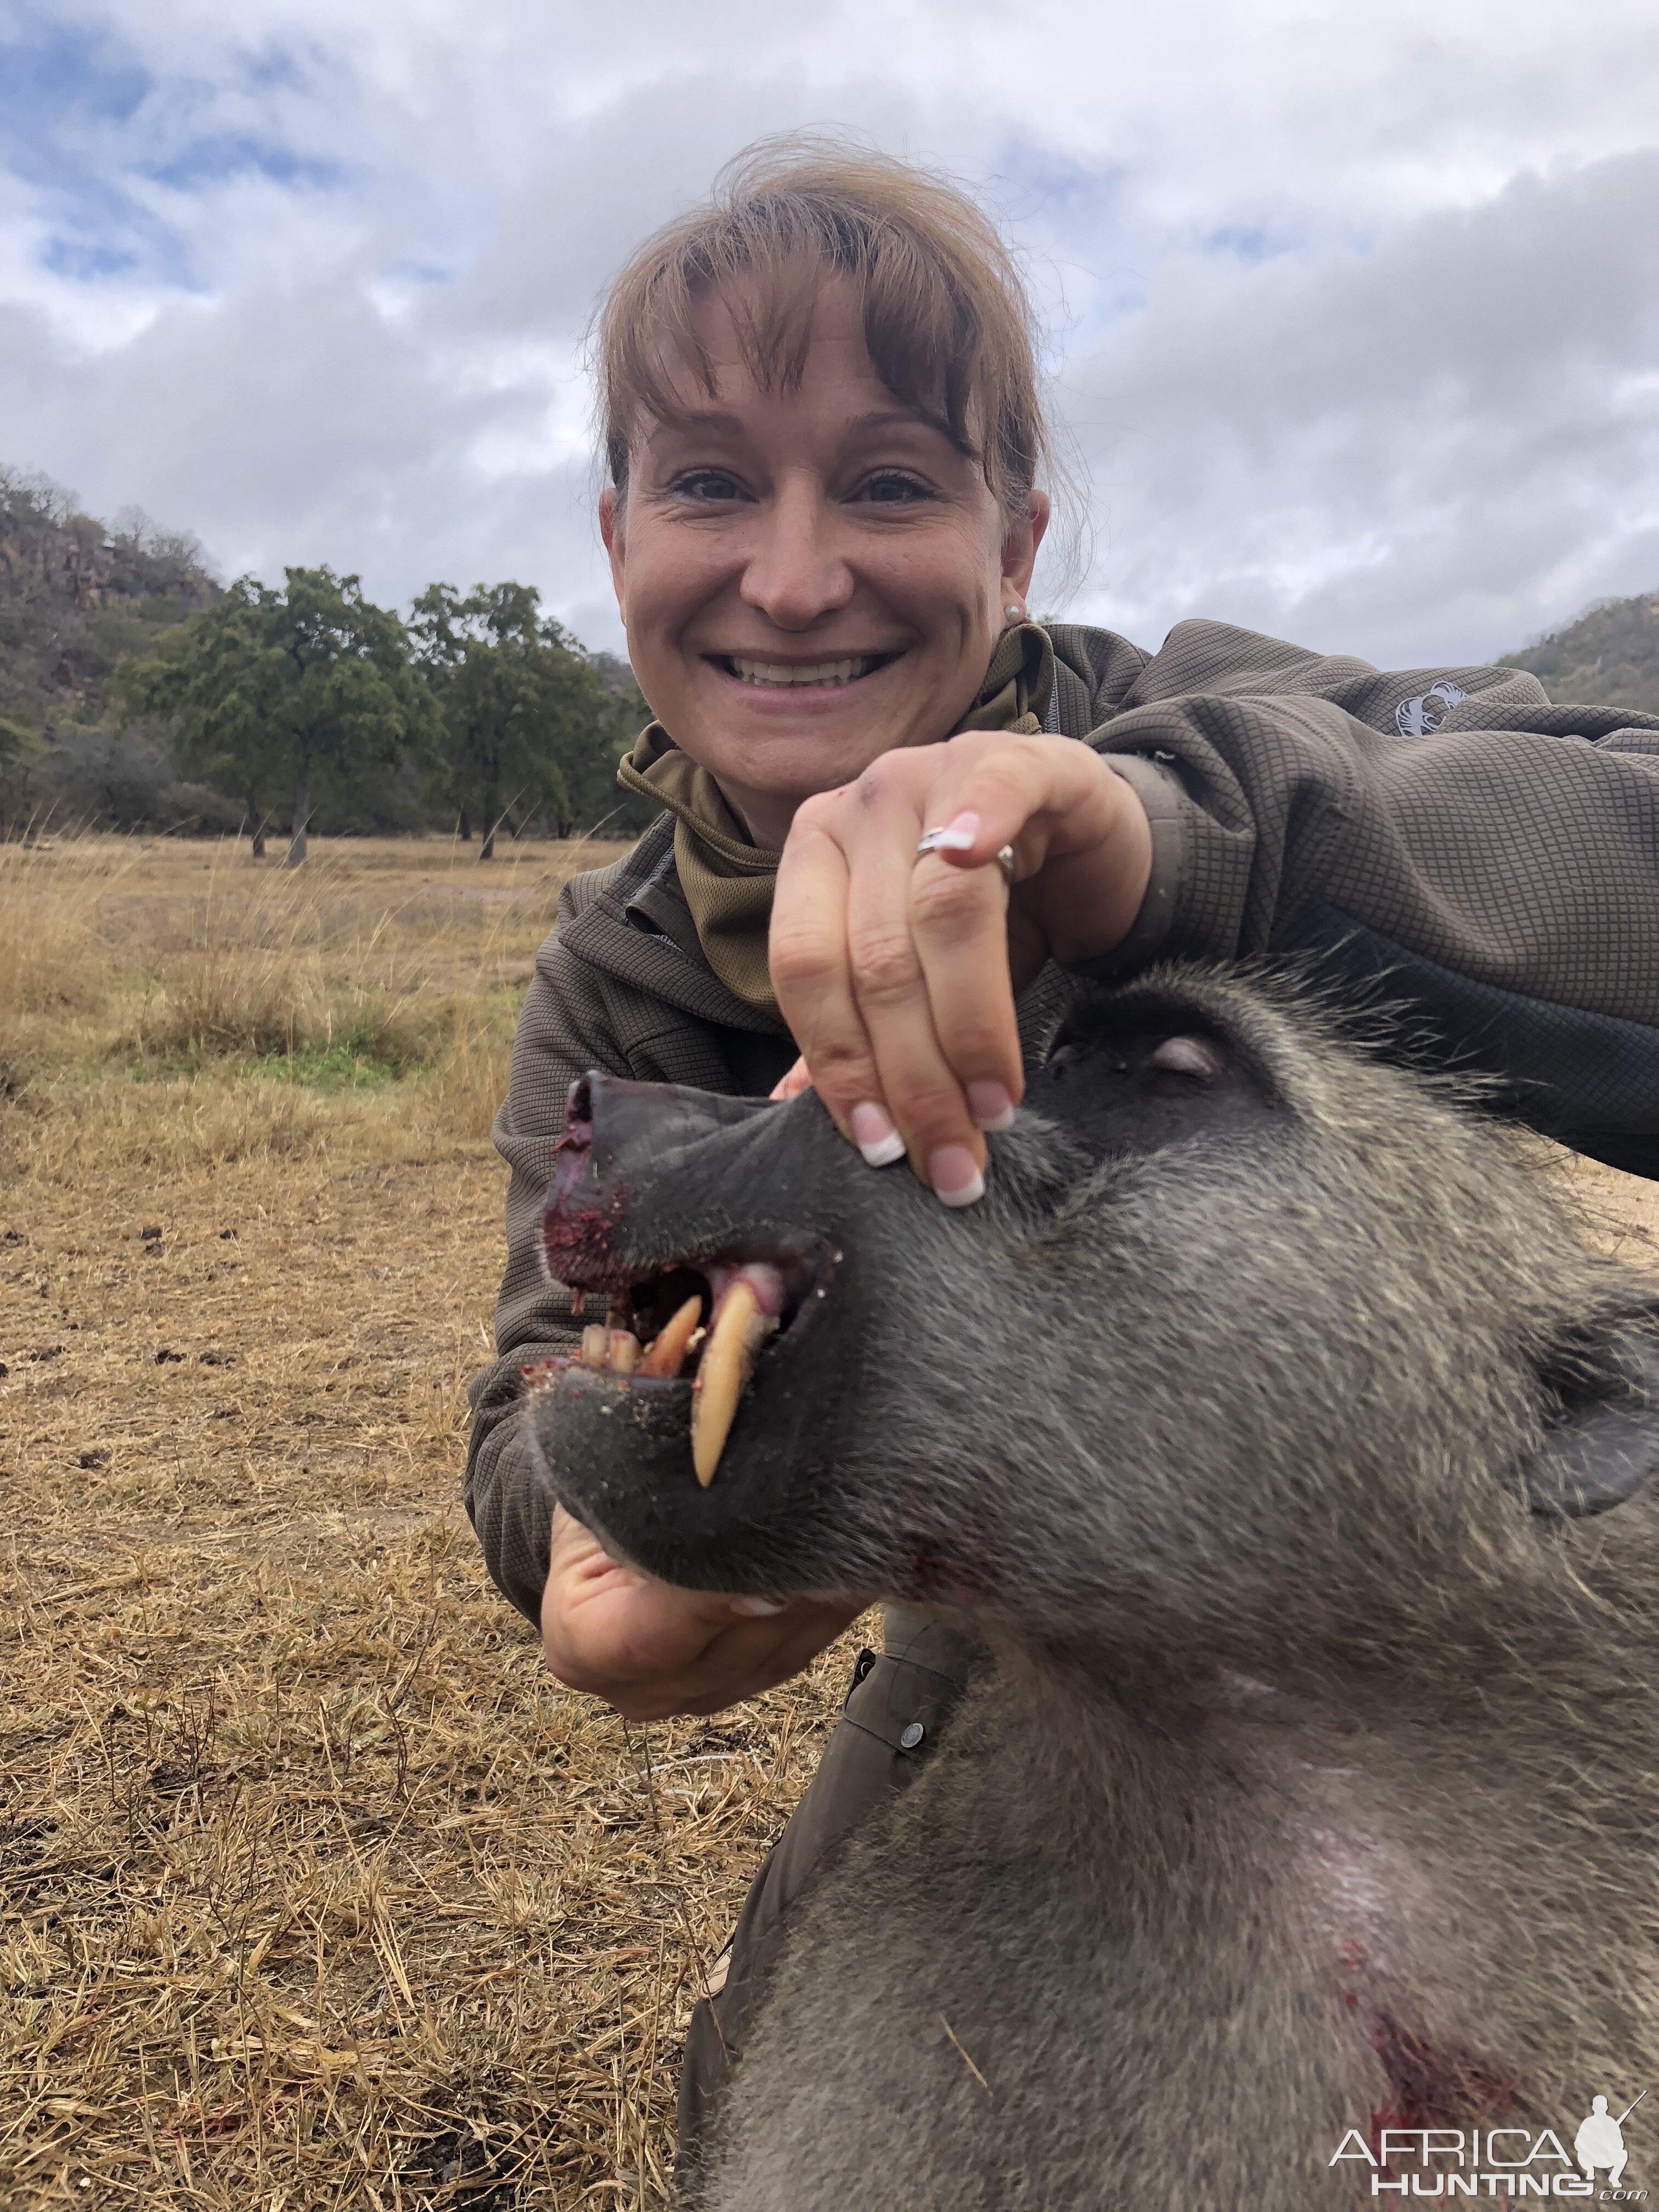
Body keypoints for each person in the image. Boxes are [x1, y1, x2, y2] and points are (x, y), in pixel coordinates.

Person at [463, 137, 1659, 2161]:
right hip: (999, 1617)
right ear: (617, 540)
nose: (792, 570)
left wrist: (1178, 848)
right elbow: (534, 1403)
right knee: (783, 2091)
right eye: (710, 483)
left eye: (893, 479)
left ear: (1017, 546)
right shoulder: (627, 968)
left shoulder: (1219, 722)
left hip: (1386, 1588)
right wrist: (585, 1553)